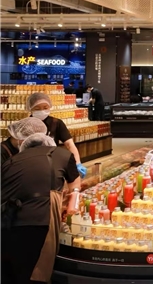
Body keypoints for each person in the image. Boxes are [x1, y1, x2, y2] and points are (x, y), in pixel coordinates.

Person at [1, 133, 80, 284]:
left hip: (6, 222)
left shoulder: (12, 161)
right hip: (38, 220)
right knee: (35, 274)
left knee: (10, 272)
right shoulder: (61, 154)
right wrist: (72, 202)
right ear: (50, 144)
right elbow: (75, 186)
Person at [26, 93, 86, 177]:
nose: (42, 111)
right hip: (31, 165)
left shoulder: (56, 123)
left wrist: (78, 163)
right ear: (30, 109)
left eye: (45, 108)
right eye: (37, 109)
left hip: (52, 164)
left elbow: (69, 144)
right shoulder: (25, 125)